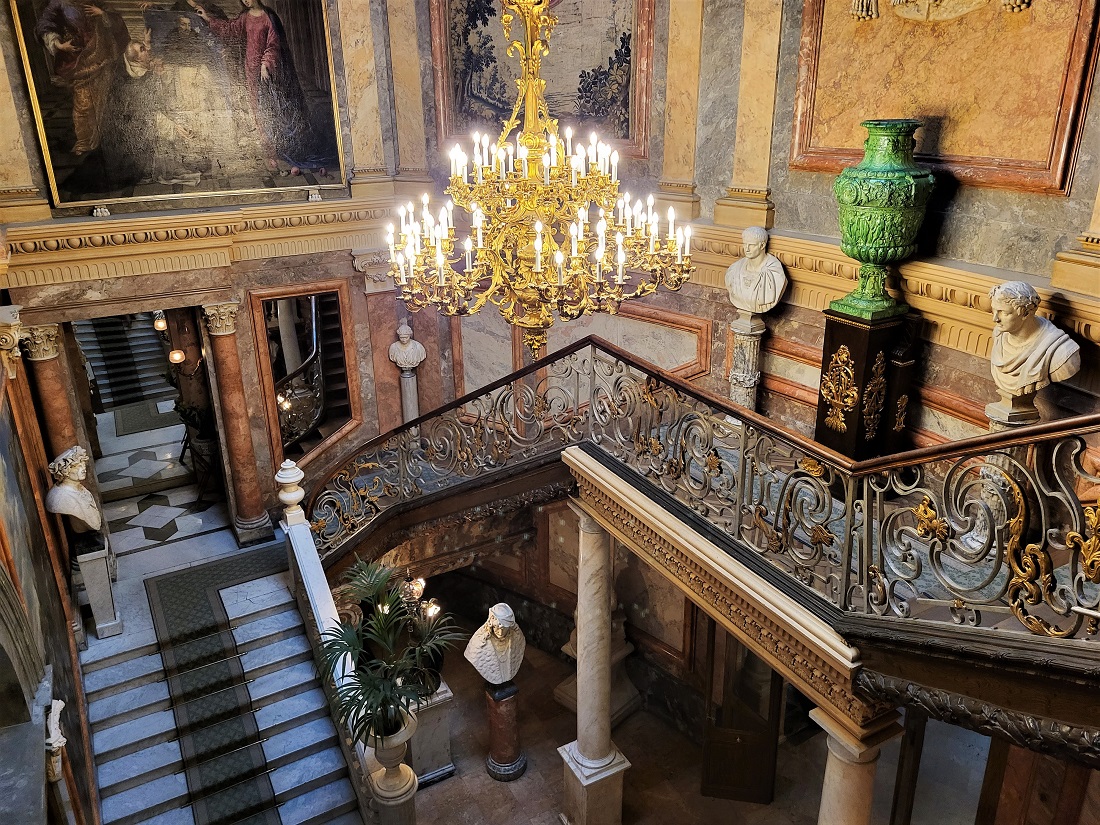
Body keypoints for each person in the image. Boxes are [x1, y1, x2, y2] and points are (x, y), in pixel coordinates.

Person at [195, 0, 335, 175]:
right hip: (250, 71)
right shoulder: (245, 17)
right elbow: (230, 30)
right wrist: (208, 18)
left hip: (268, 73)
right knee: (258, 110)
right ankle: (270, 152)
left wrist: (266, 64)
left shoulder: (269, 17)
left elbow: (274, 44)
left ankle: (285, 150)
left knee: (274, 108)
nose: (245, 0)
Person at [35, 0, 130, 155]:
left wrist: (103, 14)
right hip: (78, 60)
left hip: (103, 57)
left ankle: (109, 139)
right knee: (84, 103)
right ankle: (85, 141)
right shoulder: (58, 3)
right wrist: (58, 44)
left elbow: (117, 21)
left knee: (108, 99)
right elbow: (45, 24)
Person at [988, 281, 1080, 398]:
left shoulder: (1062, 353)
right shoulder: (999, 336)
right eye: (994, 311)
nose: (995, 319)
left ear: (1026, 313)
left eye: (1003, 313)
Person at [723, 226, 788, 314]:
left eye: (751, 245)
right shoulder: (735, 269)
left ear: (762, 245)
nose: (747, 249)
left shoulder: (774, 272)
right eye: (745, 244)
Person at [45, 446, 103, 535]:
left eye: (83, 465)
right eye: (78, 466)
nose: (83, 469)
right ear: (65, 471)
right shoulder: (59, 498)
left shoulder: (81, 488)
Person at [463, 603, 526, 685]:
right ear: (491, 624)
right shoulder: (479, 642)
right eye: (497, 627)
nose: (500, 632)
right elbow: (474, 655)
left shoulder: (517, 639)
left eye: (504, 629)